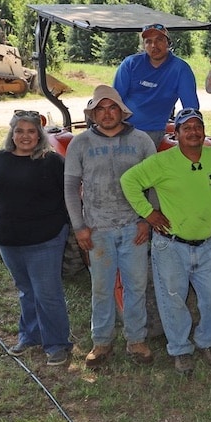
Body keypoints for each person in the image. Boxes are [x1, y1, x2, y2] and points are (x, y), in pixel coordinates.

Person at [120, 109, 211, 376]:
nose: (193, 132)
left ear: (203, 131)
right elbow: (129, 180)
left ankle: (208, 341)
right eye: (186, 128)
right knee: (172, 300)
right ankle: (180, 349)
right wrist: (148, 213)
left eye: (197, 127)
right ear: (176, 133)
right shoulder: (162, 161)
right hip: (171, 245)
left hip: (205, 245)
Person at [63, 85, 157, 368]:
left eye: (112, 108)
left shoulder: (141, 141)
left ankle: (136, 339)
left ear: (121, 111)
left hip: (133, 228)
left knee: (136, 286)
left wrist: (146, 220)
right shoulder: (80, 144)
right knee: (102, 288)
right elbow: (70, 187)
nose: (106, 114)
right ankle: (101, 342)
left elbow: (154, 184)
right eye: (100, 109)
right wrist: (79, 226)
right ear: (93, 114)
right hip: (97, 229)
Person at [0, 110, 73, 368]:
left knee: (48, 292)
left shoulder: (52, 161)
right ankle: (30, 336)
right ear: (12, 133)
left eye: (31, 131)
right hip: (8, 239)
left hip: (45, 239)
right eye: (19, 130)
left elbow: (68, 192)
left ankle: (57, 344)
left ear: (39, 135)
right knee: (25, 290)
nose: (25, 136)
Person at [113, 23, 199, 146]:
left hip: (151, 131)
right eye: (148, 41)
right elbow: (115, 98)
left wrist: (186, 130)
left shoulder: (180, 69)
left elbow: (191, 107)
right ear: (143, 45)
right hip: (122, 127)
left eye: (159, 40)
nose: (154, 45)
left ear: (168, 43)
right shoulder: (130, 64)